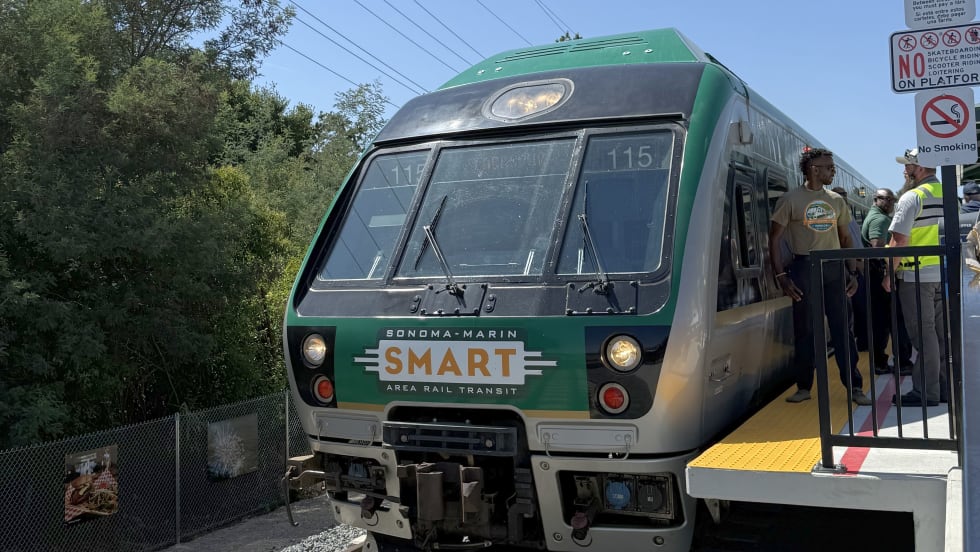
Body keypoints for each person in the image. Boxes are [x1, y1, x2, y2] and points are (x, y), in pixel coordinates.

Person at [768, 148, 872, 405]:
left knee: (842, 330)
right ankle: (804, 387)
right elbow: (774, 239)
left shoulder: (836, 201)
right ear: (813, 169)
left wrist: (851, 271)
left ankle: (854, 387)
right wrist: (781, 276)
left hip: (835, 268)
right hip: (804, 267)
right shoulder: (790, 200)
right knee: (805, 330)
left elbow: (846, 239)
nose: (832, 171)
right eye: (828, 167)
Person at [884, 148, 949, 407]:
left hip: (916, 275)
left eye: (907, 166)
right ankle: (942, 389)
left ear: (918, 167)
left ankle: (925, 393)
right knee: (939, 336)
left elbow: (899, 240)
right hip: (941, 275)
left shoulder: (913, 197)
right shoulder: (947, 195)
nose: (904, 170)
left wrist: (889, 273)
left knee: (923, 336)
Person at [861, 188, 913, 376]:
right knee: (894, 319)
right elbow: (877, 248)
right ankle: (902, 362)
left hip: (877, 275)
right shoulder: (880, 219)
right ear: (876, 200)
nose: (891, 203)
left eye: (893, 200)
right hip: (882, 276)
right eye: (887, 199)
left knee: (882, 320)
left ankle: (881, 362)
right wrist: (887, 273)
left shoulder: (875, 216)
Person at [832, 186, 868, 351]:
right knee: (854, 309)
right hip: (849, 268)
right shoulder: (835, 216)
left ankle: (862, 342)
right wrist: (854, 263)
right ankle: (857, 343)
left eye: (844, 195)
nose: (843, 198)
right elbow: (843, 242)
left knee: (862, 308)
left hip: (857, 266)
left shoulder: (849, 215)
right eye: (839, 195)